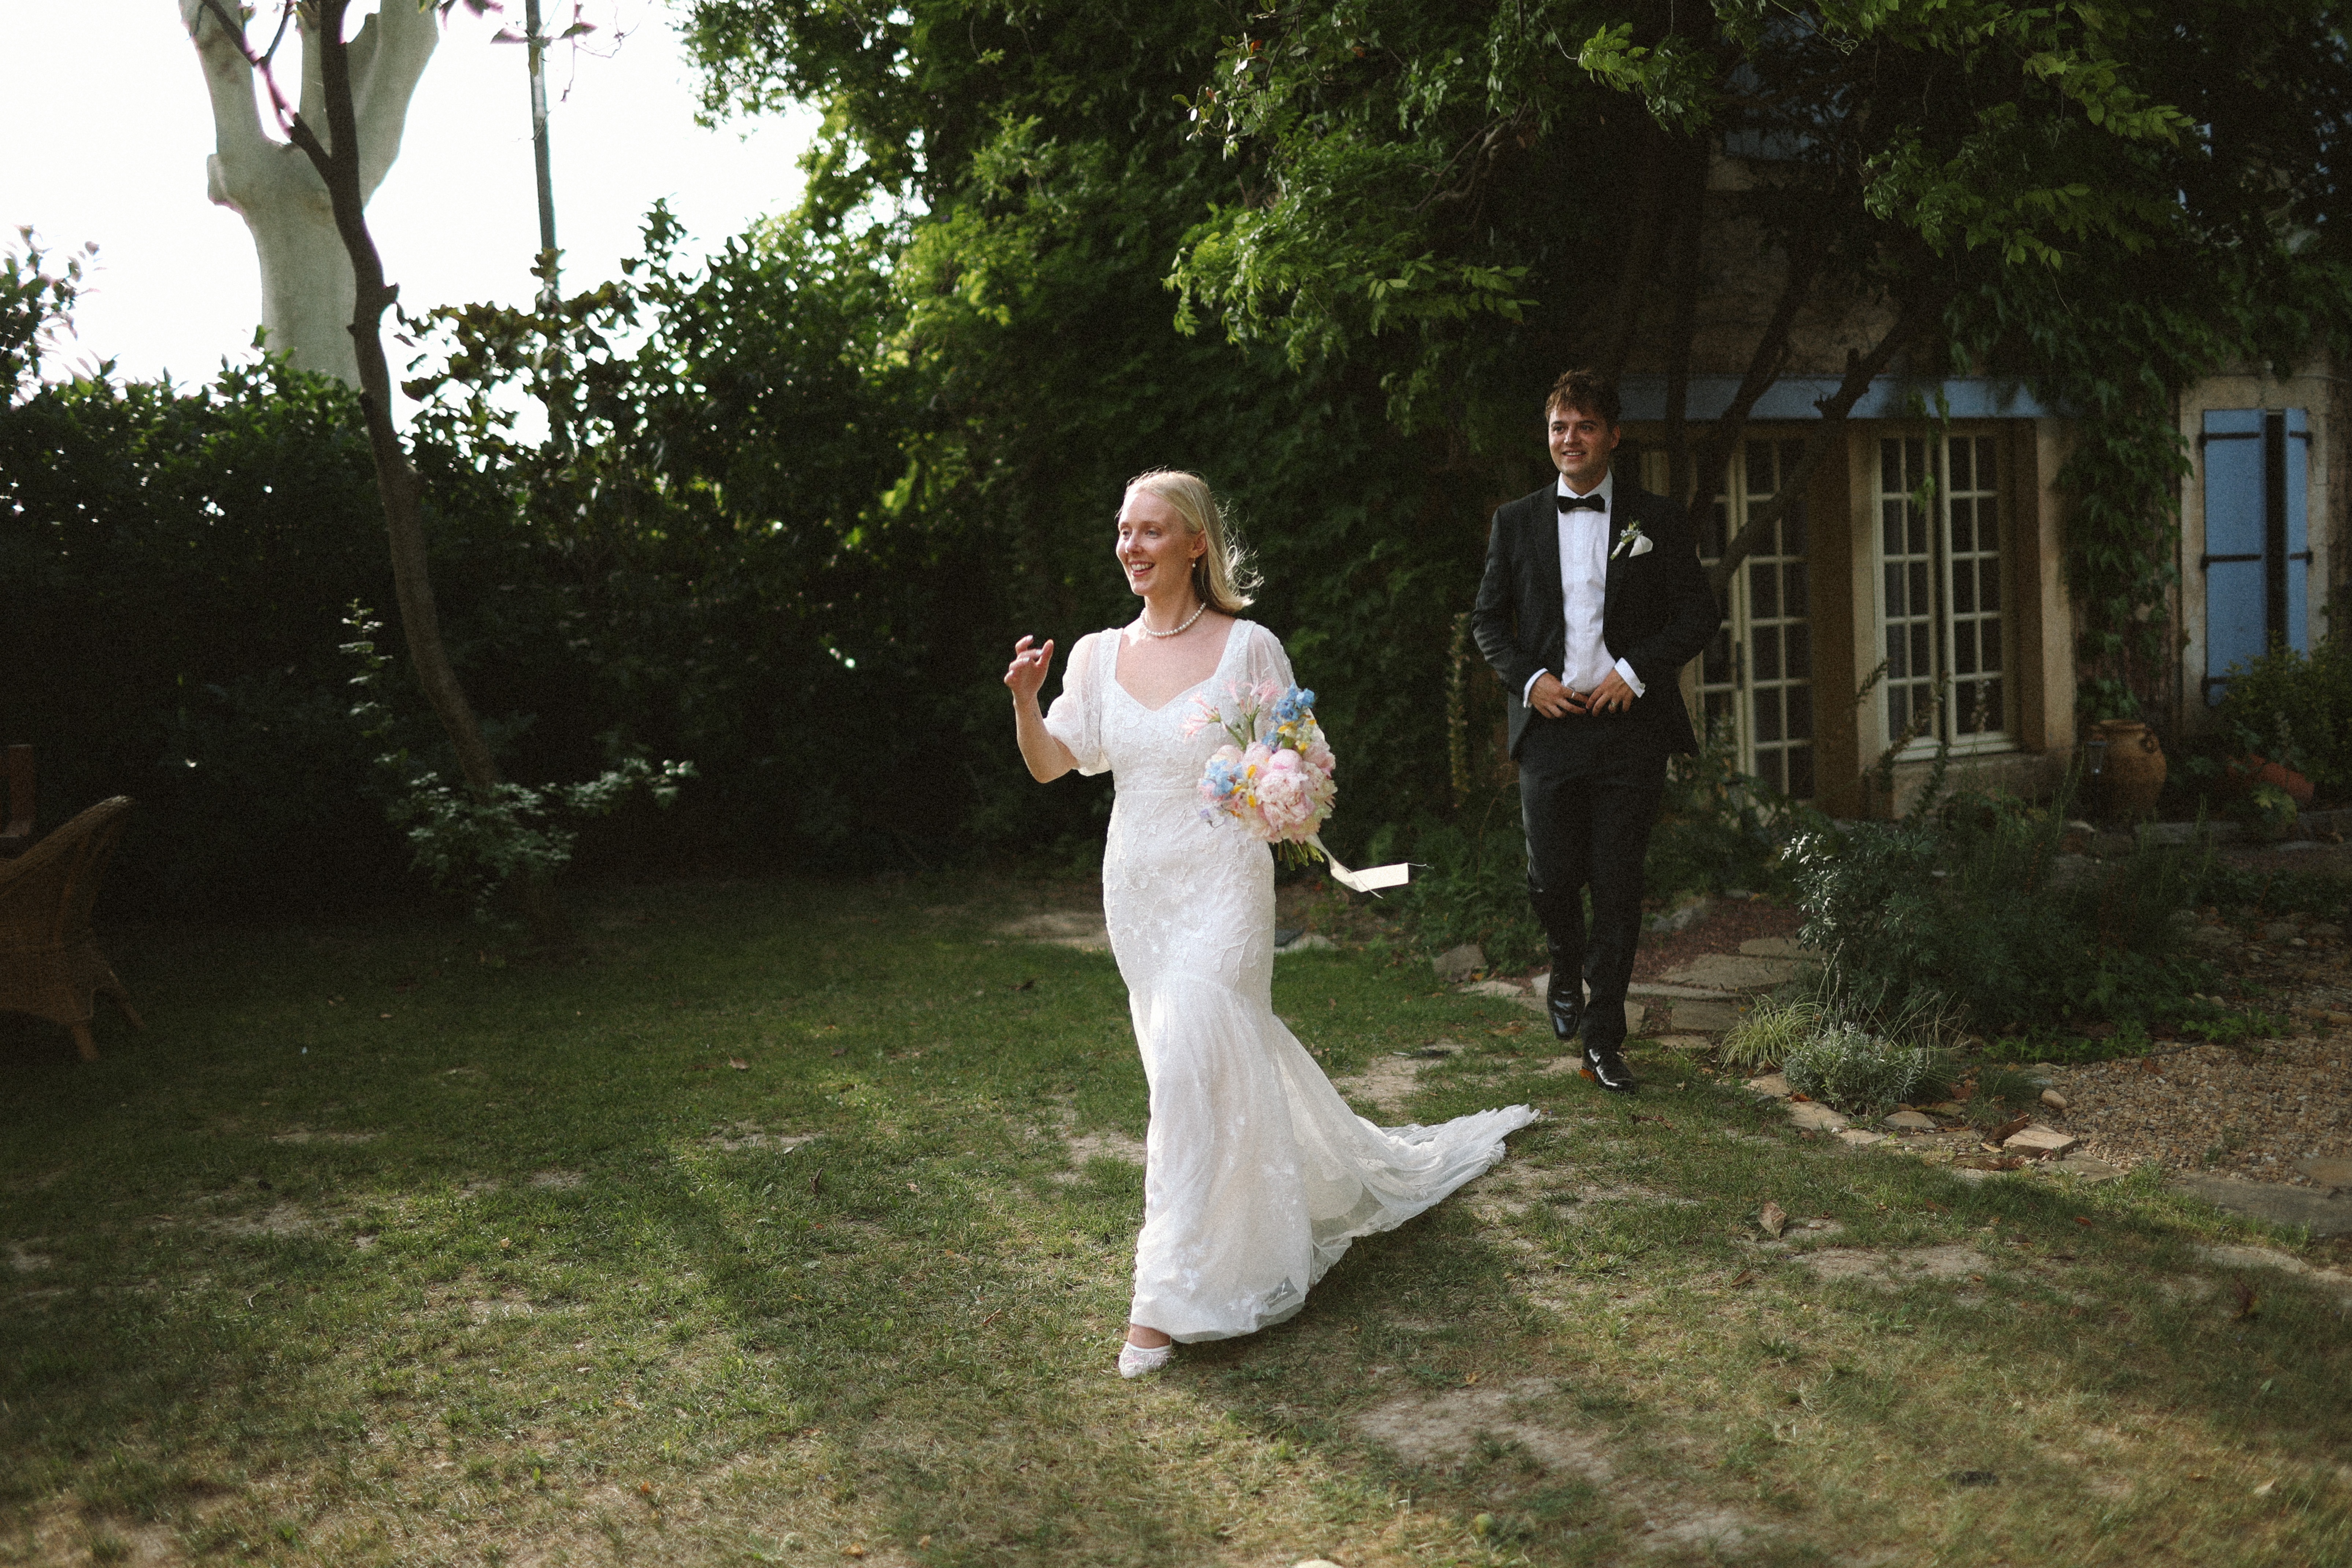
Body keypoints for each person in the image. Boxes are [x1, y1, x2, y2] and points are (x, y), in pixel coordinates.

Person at [1004, 469, 1538, 1378]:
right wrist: (1025, 697)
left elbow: (1299, 759)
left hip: (1223, 885)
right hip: (1139, 890)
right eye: (1124, 531)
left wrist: (1280, 793)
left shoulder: (1250, 646)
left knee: (1187, 1063)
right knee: (1197, 1069)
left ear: (1195, 543)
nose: (1132, 547)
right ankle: (1252, 1224)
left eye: (1152, 532)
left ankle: (1163, 1299)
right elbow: (1056, 765)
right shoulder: (1096, 655)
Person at [1472, 370, 1720, 1094]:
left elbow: (1697, 616)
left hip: (1629, 730)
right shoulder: (1515, 521)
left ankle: (1604, 1037)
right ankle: (1562, 959)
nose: (1570, 439)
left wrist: (1638, 671)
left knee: (1617, 884)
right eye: (1558, 426)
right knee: (1552, 878)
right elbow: (1488, 621)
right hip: (1550, 729)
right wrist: (1531, 681)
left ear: (1613, 435)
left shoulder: (1658, 519)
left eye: (1584, 426)